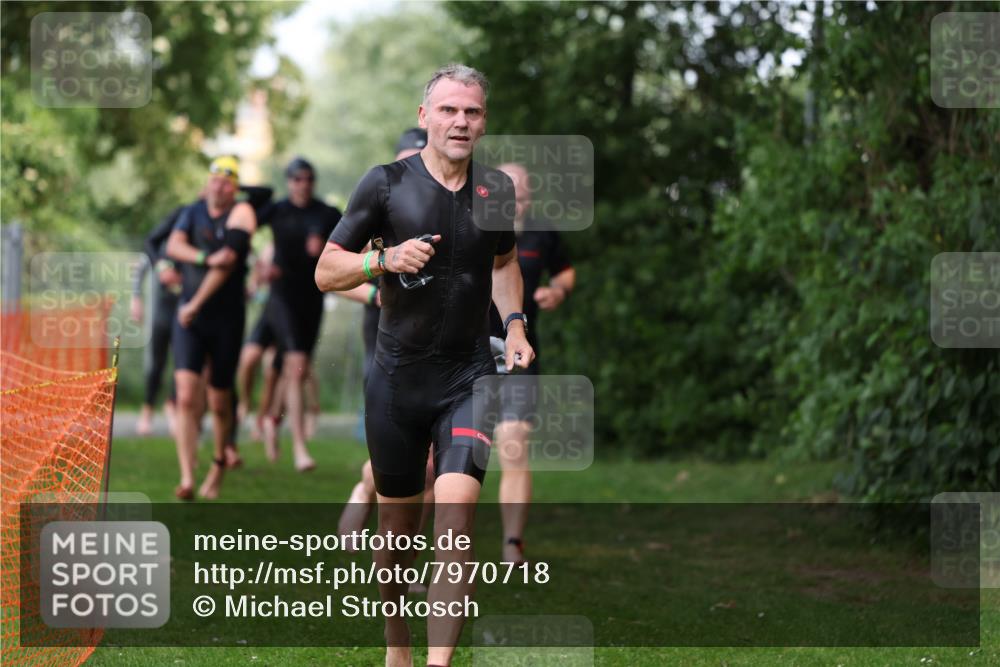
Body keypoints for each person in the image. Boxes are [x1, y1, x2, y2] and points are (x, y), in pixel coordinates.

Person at [316, 64, 532, 667]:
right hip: (396, 385)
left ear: (483, 122)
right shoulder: (384, 184)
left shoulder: (497, 191)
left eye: (472, 112)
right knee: (397, 544)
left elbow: (504, 265)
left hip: (468, 378)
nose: (460, 121)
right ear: (424, 118)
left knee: (457, 523)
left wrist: (513, 325)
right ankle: (398, 646)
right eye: (448, 110)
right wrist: (380, 262)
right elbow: (326, 270)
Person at [336, 128, 433, 540]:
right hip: (385, 339)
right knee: (406, 458)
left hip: (440, 345)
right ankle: (366, 486)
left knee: (431, 465)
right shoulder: (381, 196)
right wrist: (376, 288)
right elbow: (336, 269)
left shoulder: (447, 202)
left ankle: (410, 561)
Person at [489, 162, 575, 564]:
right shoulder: (473, 225)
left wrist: (556, 291)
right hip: (465, 354)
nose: (516, 200)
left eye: (521, 193)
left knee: (513, 443)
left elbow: (566, 272)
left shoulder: (543, 230)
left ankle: (511, 544)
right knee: (440, 458)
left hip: (519, 353)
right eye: (508, 193)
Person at [165, 156, 257, 500]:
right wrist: (203, 258)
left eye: (227, 180)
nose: (219, 186)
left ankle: (218, 466)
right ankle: (188, 475)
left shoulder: (242, 213)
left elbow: (228, 261)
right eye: (215, 179)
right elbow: (173, 246)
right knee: (186, 396)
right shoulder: (192, 211)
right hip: (189, 319)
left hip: (224, 318)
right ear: (208, 183)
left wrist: (194, 303)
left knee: (219, 401)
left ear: (235, 187)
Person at [250, 157, 342, 471]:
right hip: (280, 297)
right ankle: (300, 448)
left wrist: (330, 248)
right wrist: (258, 265)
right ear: (289, 182)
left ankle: (273, 421)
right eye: (297, 179)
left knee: (296, 371)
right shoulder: (277, 210)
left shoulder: (326, 213)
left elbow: (351, 240)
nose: (303, 184)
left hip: (312, 298)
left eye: (308, 179)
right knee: (294, 363)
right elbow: (241, 227)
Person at [130, 205, 185, 436]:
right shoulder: (161, 247)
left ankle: (172, 406)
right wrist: (136, 299)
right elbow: (142, 267)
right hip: (162, 310)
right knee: (157, 363)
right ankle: (147, 410)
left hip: (183, 311)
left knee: (181, 364)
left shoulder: (191, 244)